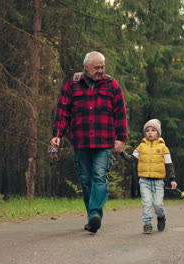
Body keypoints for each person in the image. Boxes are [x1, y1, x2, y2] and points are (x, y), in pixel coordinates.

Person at [51, 51, 128, 233]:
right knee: (86, 180)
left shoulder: (112, 85)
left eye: (102, 67)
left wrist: (121, 138)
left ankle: (95, 214)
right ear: (86, 67)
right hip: (81, 140)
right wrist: (58, 134)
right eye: (96, 68)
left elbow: (120, 113)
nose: (100, 70)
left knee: (99, 175)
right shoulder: (73, 85)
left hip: (104, 141)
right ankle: (91, 216)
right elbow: (63, 112)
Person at [119, 119, 177, 234]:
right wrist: (121, 152)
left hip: (158, 181)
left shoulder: (164, 148)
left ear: (158, 133)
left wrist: (172, 180)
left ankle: (161, 217)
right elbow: (132, 159)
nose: (150, 133)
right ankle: (147, 224)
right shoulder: (141, 146)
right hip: (144, 180)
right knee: (146, 202)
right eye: (147, 130)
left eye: (153, 130)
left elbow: (169, 164)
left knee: (158, 204)